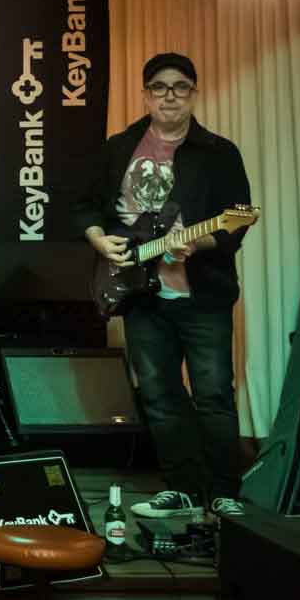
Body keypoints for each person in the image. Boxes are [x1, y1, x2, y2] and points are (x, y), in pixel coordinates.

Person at [74, 53, 254, 521]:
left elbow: (239, 219)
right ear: (146, 94)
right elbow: (85, 205)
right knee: (158, 394)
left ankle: (222, 491)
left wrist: (199, 243)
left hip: (201, 294)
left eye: (179, 86)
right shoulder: (118, 147)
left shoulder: (219, 152)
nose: (169, 95)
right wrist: (99, 240)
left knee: (213, 393)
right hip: (138, 292)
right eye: (159, 86)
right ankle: (182, 487)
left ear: (194, 93)